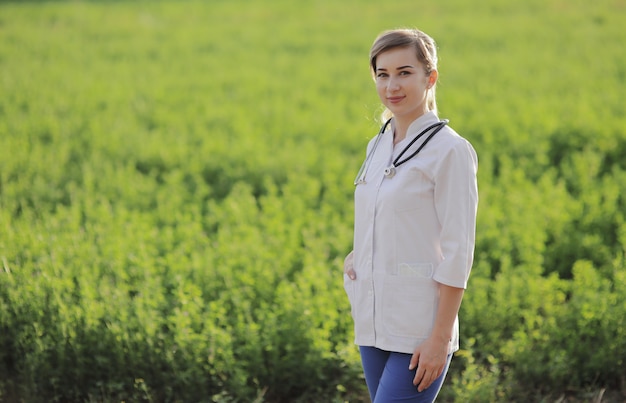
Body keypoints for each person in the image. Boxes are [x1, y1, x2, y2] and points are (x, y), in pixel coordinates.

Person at [343, 28, 478, 403]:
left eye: (404, 72)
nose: (391, 86)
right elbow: (386, 217)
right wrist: (359, 256)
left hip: (420, 328)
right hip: (372, 318)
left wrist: (439, 338)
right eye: (382, 75)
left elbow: (459, 251)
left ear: (430, 77)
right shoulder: (379, 144)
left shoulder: (450, 151)